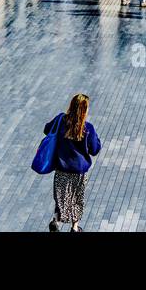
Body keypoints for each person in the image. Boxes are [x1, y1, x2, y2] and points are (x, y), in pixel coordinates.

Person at [43, 93, 101, 232]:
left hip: (61, 169)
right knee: (77, 198)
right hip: (79, 172)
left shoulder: (60, 120)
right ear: (84, 110)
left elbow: (46, 129)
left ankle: (55, 221)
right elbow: (95, 149)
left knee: (61, 197)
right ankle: (75, 228)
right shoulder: (88, 128)